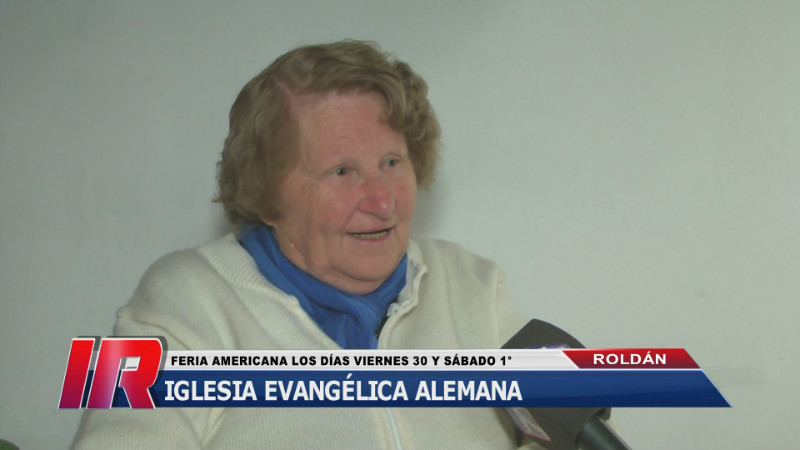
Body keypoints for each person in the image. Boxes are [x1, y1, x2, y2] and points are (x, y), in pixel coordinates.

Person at [71, 40, 531, 449]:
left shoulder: (474, 284)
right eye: (341, 172)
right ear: (266, 194)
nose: (383, 201)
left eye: (392, 162)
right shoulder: (175, 297)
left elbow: (563, 428)